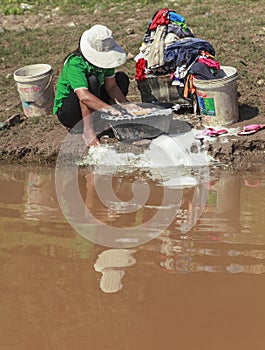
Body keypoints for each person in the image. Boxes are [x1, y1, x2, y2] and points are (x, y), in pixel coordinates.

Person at [53, 24, 136, 146]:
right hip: (70, 111)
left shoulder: (105, 64)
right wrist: (110, 110)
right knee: (91, 81)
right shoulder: (75, 63)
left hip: (91, 103)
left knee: (121, 78)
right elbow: (83, 96)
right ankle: (88, 129)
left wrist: (127, 105)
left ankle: (105, 122)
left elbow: (111, 87)